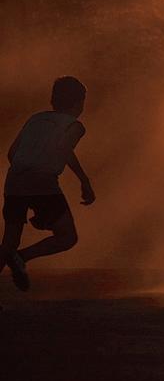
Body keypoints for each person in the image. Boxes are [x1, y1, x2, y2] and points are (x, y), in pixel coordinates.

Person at [1, 76, 95, 291]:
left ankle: (15, 255)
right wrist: (84, 181)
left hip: (14, 180)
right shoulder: (75, 126)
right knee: (67, 237)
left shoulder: (35, 119)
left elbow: (12, 153)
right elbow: (64, 149)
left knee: (8, 241)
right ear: (78, 102)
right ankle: (22, 257)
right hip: (43, 182)